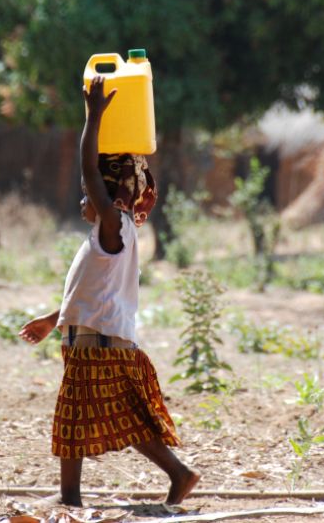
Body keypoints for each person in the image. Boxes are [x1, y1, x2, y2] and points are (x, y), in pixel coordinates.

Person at [19, 75, 200, 507]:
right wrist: (52, 320)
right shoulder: (114, 234)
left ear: (110, 192)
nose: (84, 198)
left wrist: (94, 116)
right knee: (120, 420)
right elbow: (91, 290)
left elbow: (88, 169)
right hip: (101, 338)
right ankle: (177, 473)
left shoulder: (114, 225)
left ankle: (71, 499)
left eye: (90, 192)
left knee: (73, 421)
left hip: (98, 344)